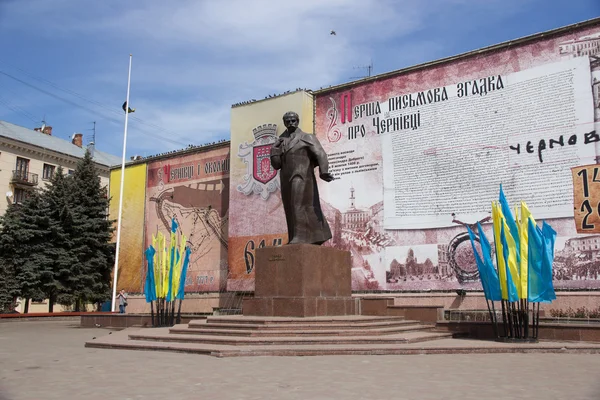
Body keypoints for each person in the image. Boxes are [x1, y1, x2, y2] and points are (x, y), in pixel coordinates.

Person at [270, 111, 335, 245]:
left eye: (293, 120)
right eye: (287, 121)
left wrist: (324, 172)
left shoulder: (307, 137)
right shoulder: (281, 141)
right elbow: (276, 166)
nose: (291, 123)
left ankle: (300, 237)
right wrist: (274, 151)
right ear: (284, 123)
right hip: (285, 178)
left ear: (297, 121)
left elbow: (320, 154)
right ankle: (297, 235)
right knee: (289, 207)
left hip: (301, 175)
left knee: (297, 204)